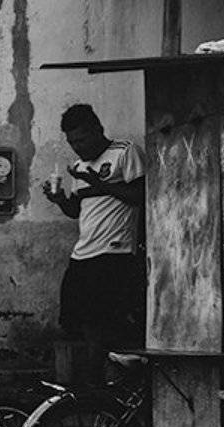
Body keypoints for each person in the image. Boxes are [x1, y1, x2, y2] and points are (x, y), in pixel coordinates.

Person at [41, 103, 146, 381]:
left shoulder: (125, 152)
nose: (78, 148)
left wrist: (98, 183)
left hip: (115, 252)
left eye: (82, 140)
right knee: (78, 320)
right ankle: (93, 379)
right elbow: (76, 210)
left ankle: (99, 381)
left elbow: (140, 196)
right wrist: (60, 199)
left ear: (98, 129)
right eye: (72, 143)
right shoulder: (79, 168)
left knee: (103, 321)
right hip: (83, 254)